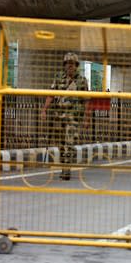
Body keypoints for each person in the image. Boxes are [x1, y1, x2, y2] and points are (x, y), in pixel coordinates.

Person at [41, 52, 91, 180]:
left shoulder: (82, 81)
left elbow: (86, 101)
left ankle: (66, 169)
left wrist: (86, 119)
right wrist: (44, 110)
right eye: (67, 63)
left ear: (76, 65)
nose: (70, 66)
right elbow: (51, 95)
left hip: (73, 118)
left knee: (69, 143)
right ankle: (64, 165)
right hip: (59, 117)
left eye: (72, 64)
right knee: (61, 145)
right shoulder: (58, 78)